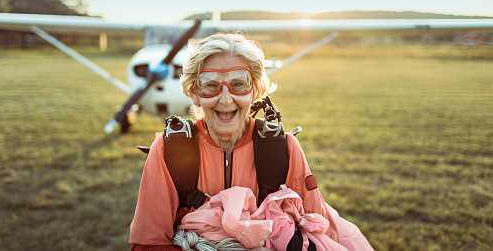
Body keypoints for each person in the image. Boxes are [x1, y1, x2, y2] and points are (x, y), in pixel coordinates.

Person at [129, 33, 372, 250]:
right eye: (210, 86)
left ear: (256, 90)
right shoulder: (168, 150)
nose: (225, 100)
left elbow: (318, 234)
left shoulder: (283, 149)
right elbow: (147, 243)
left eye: (239, 84)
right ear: (194, 93)